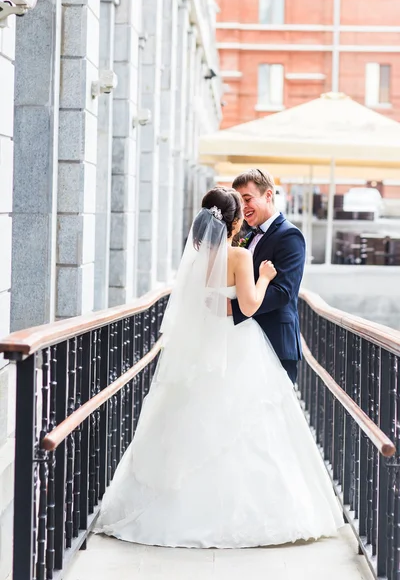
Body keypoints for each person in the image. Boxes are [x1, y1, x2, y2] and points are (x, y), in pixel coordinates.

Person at [94, 187, 343, 548]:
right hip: (238, 345)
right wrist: (265, 276)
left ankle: (170, 508)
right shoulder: (240, 256)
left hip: (202, 347)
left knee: (192, 416)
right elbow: (252, 303)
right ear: (235, 220)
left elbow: (200, 304)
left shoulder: (197, 260)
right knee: (245, 420)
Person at [230, 169, 305, 385]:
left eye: (247, 199)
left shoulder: (290, 235)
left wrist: (233, 308)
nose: (243, 208)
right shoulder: (246, 233)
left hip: (276, 342)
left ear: (268, 195)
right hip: (247, 341)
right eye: (238, 201)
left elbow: (283, 292)